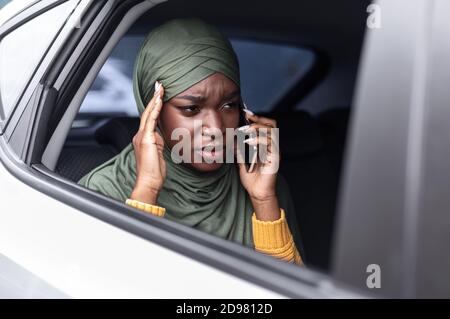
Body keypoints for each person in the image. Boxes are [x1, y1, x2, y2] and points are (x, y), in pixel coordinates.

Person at [79, 18, 304, 265]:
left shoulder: (263, 184)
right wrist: (147, 190)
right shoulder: (102, 191)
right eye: (192, 109)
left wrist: (264, 201)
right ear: (151, 110)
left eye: (229, 105)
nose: (217, 128)